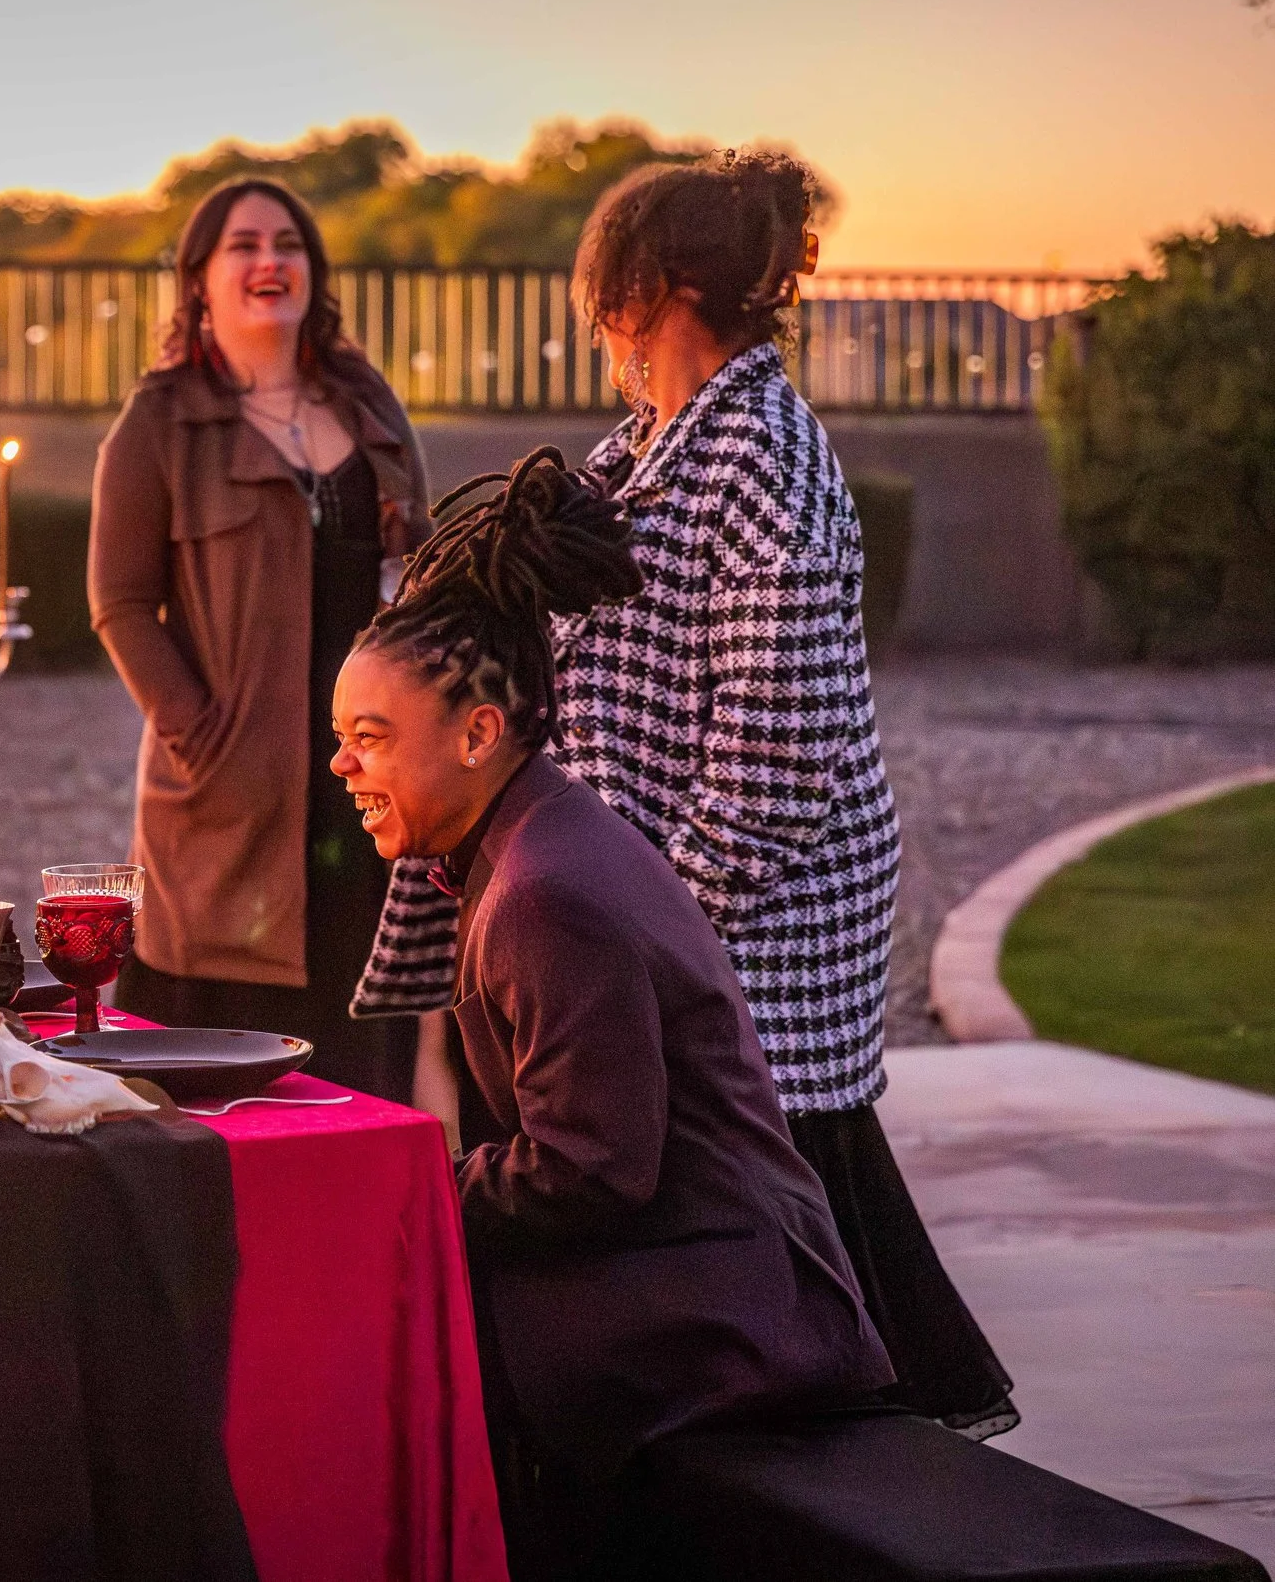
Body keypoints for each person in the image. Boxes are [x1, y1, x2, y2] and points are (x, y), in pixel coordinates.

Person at [358, 150, 1016, 1437]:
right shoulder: (654, 443)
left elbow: (776, 760)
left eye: (603, 283)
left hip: (748, 926)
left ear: (644, 288)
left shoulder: (766, 458)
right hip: (639, 904)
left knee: (764, 1226)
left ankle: (814, 1478)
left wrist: (643, 922)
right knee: (671, 1202)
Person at [330, 453, 893, 1580]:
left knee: (373, 1349)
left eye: (372, 736)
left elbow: (592, 1171)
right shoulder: (534, 835)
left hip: (720, 1317)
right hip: (692, 1271)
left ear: (479, 732)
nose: (341, 764)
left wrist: (409, 1186)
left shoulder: (544, 897)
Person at [90, 177, 430, 1097]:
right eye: (243, 244)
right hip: (226, 794)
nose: (270, 260)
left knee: (359, 1044)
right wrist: (202, 735)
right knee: (217, 1074)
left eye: (288, 243)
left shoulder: (369, 407)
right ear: (199, 277)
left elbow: (420, 566)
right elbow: (119, 604)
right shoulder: (158, 424)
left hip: (365, 780)